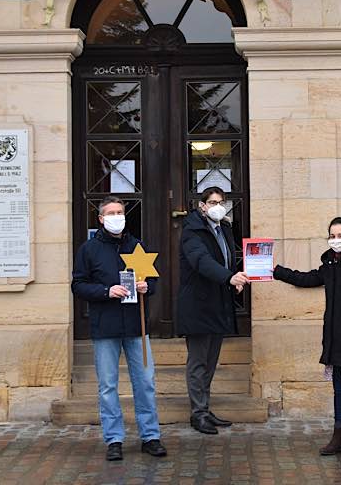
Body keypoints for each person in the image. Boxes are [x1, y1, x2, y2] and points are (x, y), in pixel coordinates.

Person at [273, 217, 341, 462]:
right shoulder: (331, 264)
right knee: (339, 390)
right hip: (336, 340)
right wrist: (276, 271)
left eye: (340, 235)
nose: (335, 240)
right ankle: (339, 436)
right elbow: (308, 278)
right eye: (331, 236)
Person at [71, 195, 166, 461]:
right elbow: (78, 285)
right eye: (111, 213)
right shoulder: (88, 250)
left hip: (137, 324)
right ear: (101, 219)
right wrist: (105, 290)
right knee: (108, 385)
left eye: (120, 212)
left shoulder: (136, 246)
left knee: (145, 382)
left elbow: (153, 281)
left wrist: (148, 287)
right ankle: (114, 438)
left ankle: (151, 436)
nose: (116, 217)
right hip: (106, 327)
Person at [176, 186, 249, 435]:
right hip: (197, 305)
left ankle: (205, 408)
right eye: (212, 202)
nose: (217, 206)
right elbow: (202, 262)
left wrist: (238, 276)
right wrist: (229, 277)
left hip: (218, 303)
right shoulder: (192, 232)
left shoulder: (224, 228)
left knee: (211, 361)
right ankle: (198, 413)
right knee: (198, 361)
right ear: (202, 206)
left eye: (221, 202)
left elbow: (229, 258)